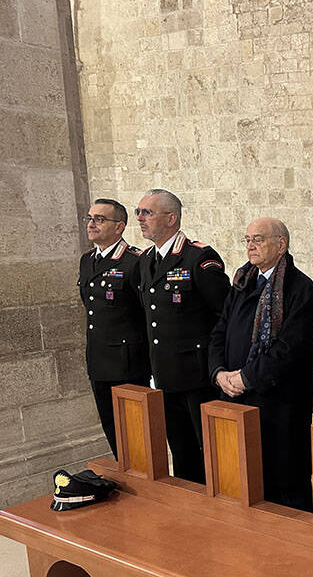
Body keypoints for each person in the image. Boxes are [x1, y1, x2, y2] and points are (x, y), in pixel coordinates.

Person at [208, 217, 313, 511]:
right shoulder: (243, 283)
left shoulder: (300, 288)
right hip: (236, 398)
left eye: (258, 239)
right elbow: (220, 330)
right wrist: (218, 373)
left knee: (284, 488)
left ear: (280, 244)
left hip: (279, 405)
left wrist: (246, 377)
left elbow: (290, 350)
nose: (250, 246)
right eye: (247, 240)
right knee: (243, 480)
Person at [137, 189, 230, 483]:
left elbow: (223, 316)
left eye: (147, 212)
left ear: (171, 218)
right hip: (165, 374)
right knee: (181, 451)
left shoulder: (199, 258)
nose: (139, 218)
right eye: (138, 212)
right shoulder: (145, 260)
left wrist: (218, 367)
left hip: (197, 374)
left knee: (211, 453)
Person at [78, 198, 150, 457]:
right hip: (99, 361)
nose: (92, 224)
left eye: (100, 219)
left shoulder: (136, 261)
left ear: (119, 227)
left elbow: (146, 312)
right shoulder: (87, 260)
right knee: (112, 431)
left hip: (128, 362)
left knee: (137, 435)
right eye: (90, 218)